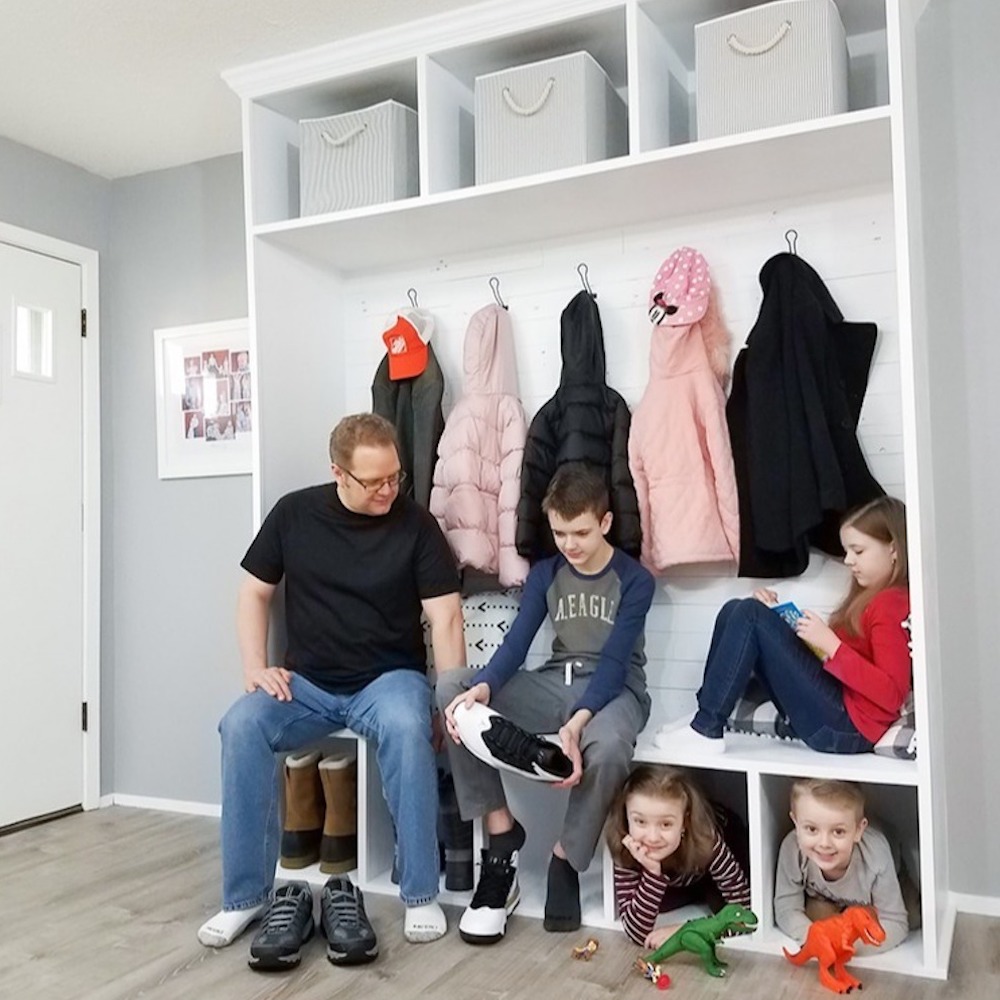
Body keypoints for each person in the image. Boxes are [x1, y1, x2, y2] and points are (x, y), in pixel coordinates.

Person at [197, 413, 465, 957]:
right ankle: (245, 896)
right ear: (338, 474)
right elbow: (253, 593)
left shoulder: (415, 525)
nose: (390, 490)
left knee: (409, 729)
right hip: (308, 684)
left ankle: (419, 895)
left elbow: (447, 618)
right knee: (241, 724)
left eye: (396, 477)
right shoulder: (294, 514)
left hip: (388, 680)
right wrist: (255, 667)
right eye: (375, 482)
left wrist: (449, 701)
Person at [438, 463, 655, 944]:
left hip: (615, 691)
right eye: (559, 532)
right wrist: (485, 687)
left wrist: (577, 725)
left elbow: (616, 662)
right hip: (555, 681)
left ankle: (566, 860)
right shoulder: (546, 573)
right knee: (452, 688)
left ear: (604, 523)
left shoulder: (634, 580)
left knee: (612, 747)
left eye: (580, 532)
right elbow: (516, 645)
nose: (570, 544)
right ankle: (501, 833)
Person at [657, 496, 910, 754]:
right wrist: (782, 623)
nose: (847, 561)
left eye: (858, 551)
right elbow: (834, 664)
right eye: (847, 552)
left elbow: (892, 695)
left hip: (848, 729)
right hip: (837, 714)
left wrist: (832, 645)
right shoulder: (868, 598)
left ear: (893, 549)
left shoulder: (892, 604)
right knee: (735, 610)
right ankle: (703, 716)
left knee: (750, 614)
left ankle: (707, 728)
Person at [605, 764, 751, 949]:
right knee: (657, 902)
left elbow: (746, 915)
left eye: (665, 824)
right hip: (680, 878)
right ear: (627, 818)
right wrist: (652, 872)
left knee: (721, 907)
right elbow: (637, 932)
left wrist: (685, 931)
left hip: (716, 855)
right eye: (640, 821)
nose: (652, 837)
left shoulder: (707, 839)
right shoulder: (629, 844)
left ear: (685, 822)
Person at [774, 778, 910, 953]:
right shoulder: (793, 847)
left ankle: (858, 913)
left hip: (890, 879)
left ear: (858, 831)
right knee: (816, 917)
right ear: (796, 823)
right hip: (827, 898)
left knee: (913, 916)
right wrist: (816, 940)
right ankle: (848, 914)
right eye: (812, 829)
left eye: (838, 831)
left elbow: (897, 922)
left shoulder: (875, 854)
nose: (824, 843)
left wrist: (846, 948)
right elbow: (786, 907)